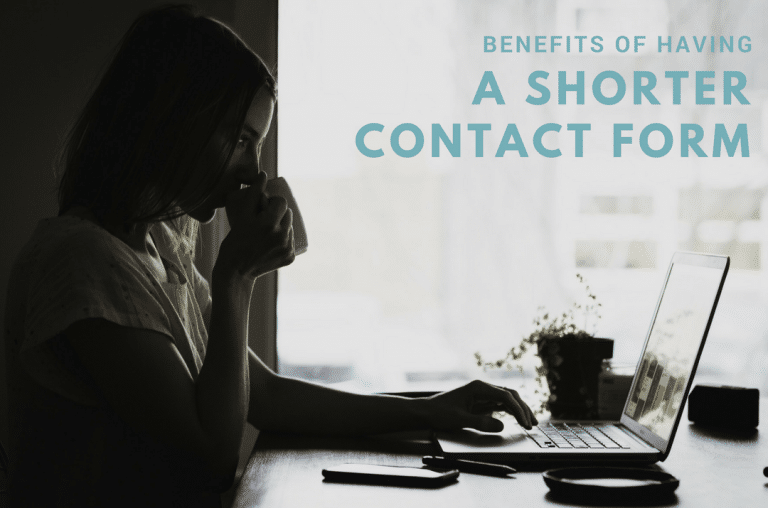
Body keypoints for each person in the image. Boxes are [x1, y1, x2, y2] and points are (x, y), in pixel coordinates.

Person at [4, 5, 536, 506]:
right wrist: (236, 275)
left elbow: (264, 394)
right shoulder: (84, 261)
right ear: (171, 123)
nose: (254, 171)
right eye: (240, 139)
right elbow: (209, 454)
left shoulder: (160, 247)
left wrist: (431, 409)